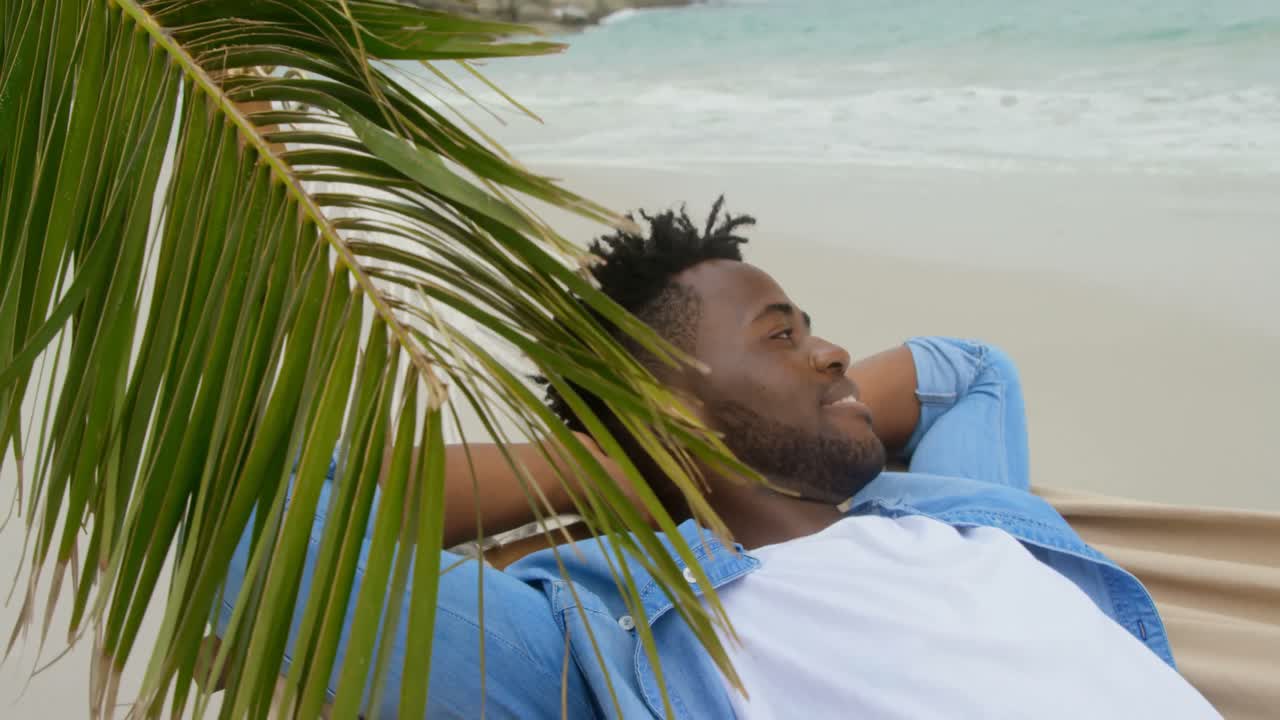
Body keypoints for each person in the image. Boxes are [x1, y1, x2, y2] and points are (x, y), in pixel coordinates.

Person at [219, 201, 1221, 718]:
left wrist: (781, 432)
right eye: (781, 337)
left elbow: (963, 371)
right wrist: (621, 463)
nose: (832, 351)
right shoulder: (598, 647)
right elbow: (260, 530)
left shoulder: (944, 511)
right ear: (663, 401)